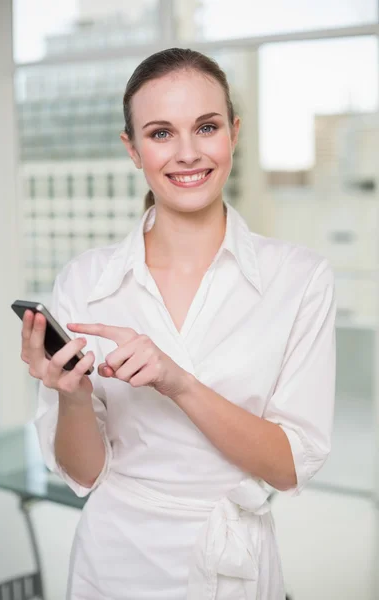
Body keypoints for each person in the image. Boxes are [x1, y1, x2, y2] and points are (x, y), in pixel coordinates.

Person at [20, 48, 337, 600]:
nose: (187, 153)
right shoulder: (87, 281)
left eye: (206, 127)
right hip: (113, 562)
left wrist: (179, 382)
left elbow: (288, 468)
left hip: (234, 563)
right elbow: (85, 475)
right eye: (161, 133)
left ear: (233, 134)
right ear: (133, 149)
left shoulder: (300, 278)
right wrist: (71, 397)